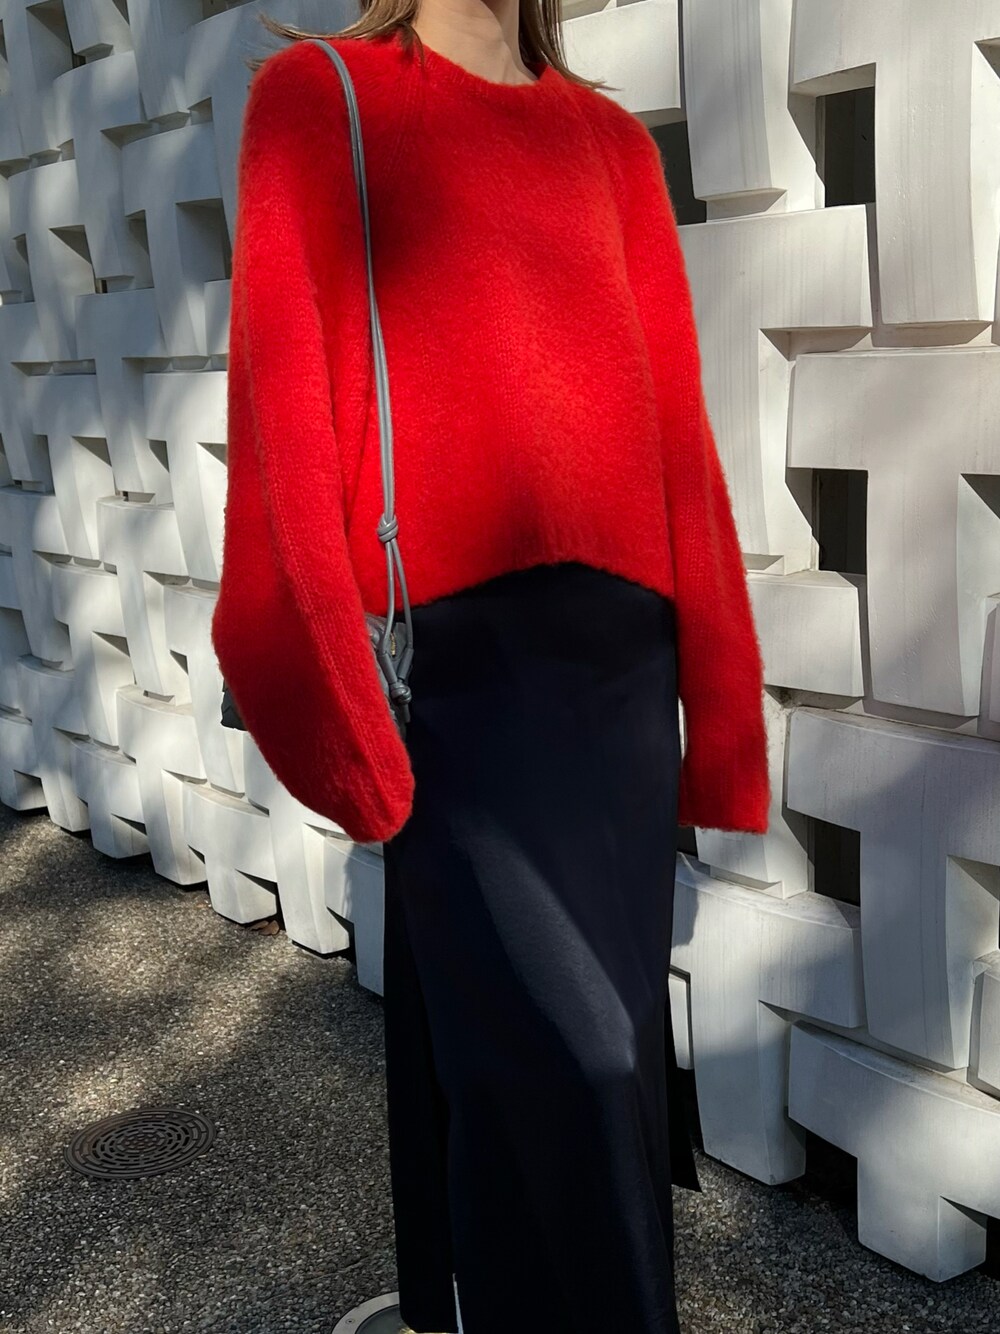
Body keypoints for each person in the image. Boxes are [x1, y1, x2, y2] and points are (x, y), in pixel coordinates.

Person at [212, 3, 771, 1332]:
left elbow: (678, 435)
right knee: (572, 1066)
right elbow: (280, 414)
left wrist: (723, 720)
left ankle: (470, 1295)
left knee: (588, 1055)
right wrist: (338, 717)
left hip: (621, 683)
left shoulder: (610, 145)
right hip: (457, 678)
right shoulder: (321, 96)